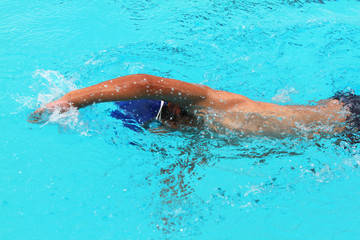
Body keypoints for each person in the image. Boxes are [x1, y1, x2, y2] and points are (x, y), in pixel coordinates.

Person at [28, 74, 357, 138]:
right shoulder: (197, 128)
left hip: (351, 117)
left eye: (161, 122)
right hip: (340, 130)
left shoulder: (205, 103)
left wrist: (69, 101)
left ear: (170, 110)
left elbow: (141, 83)